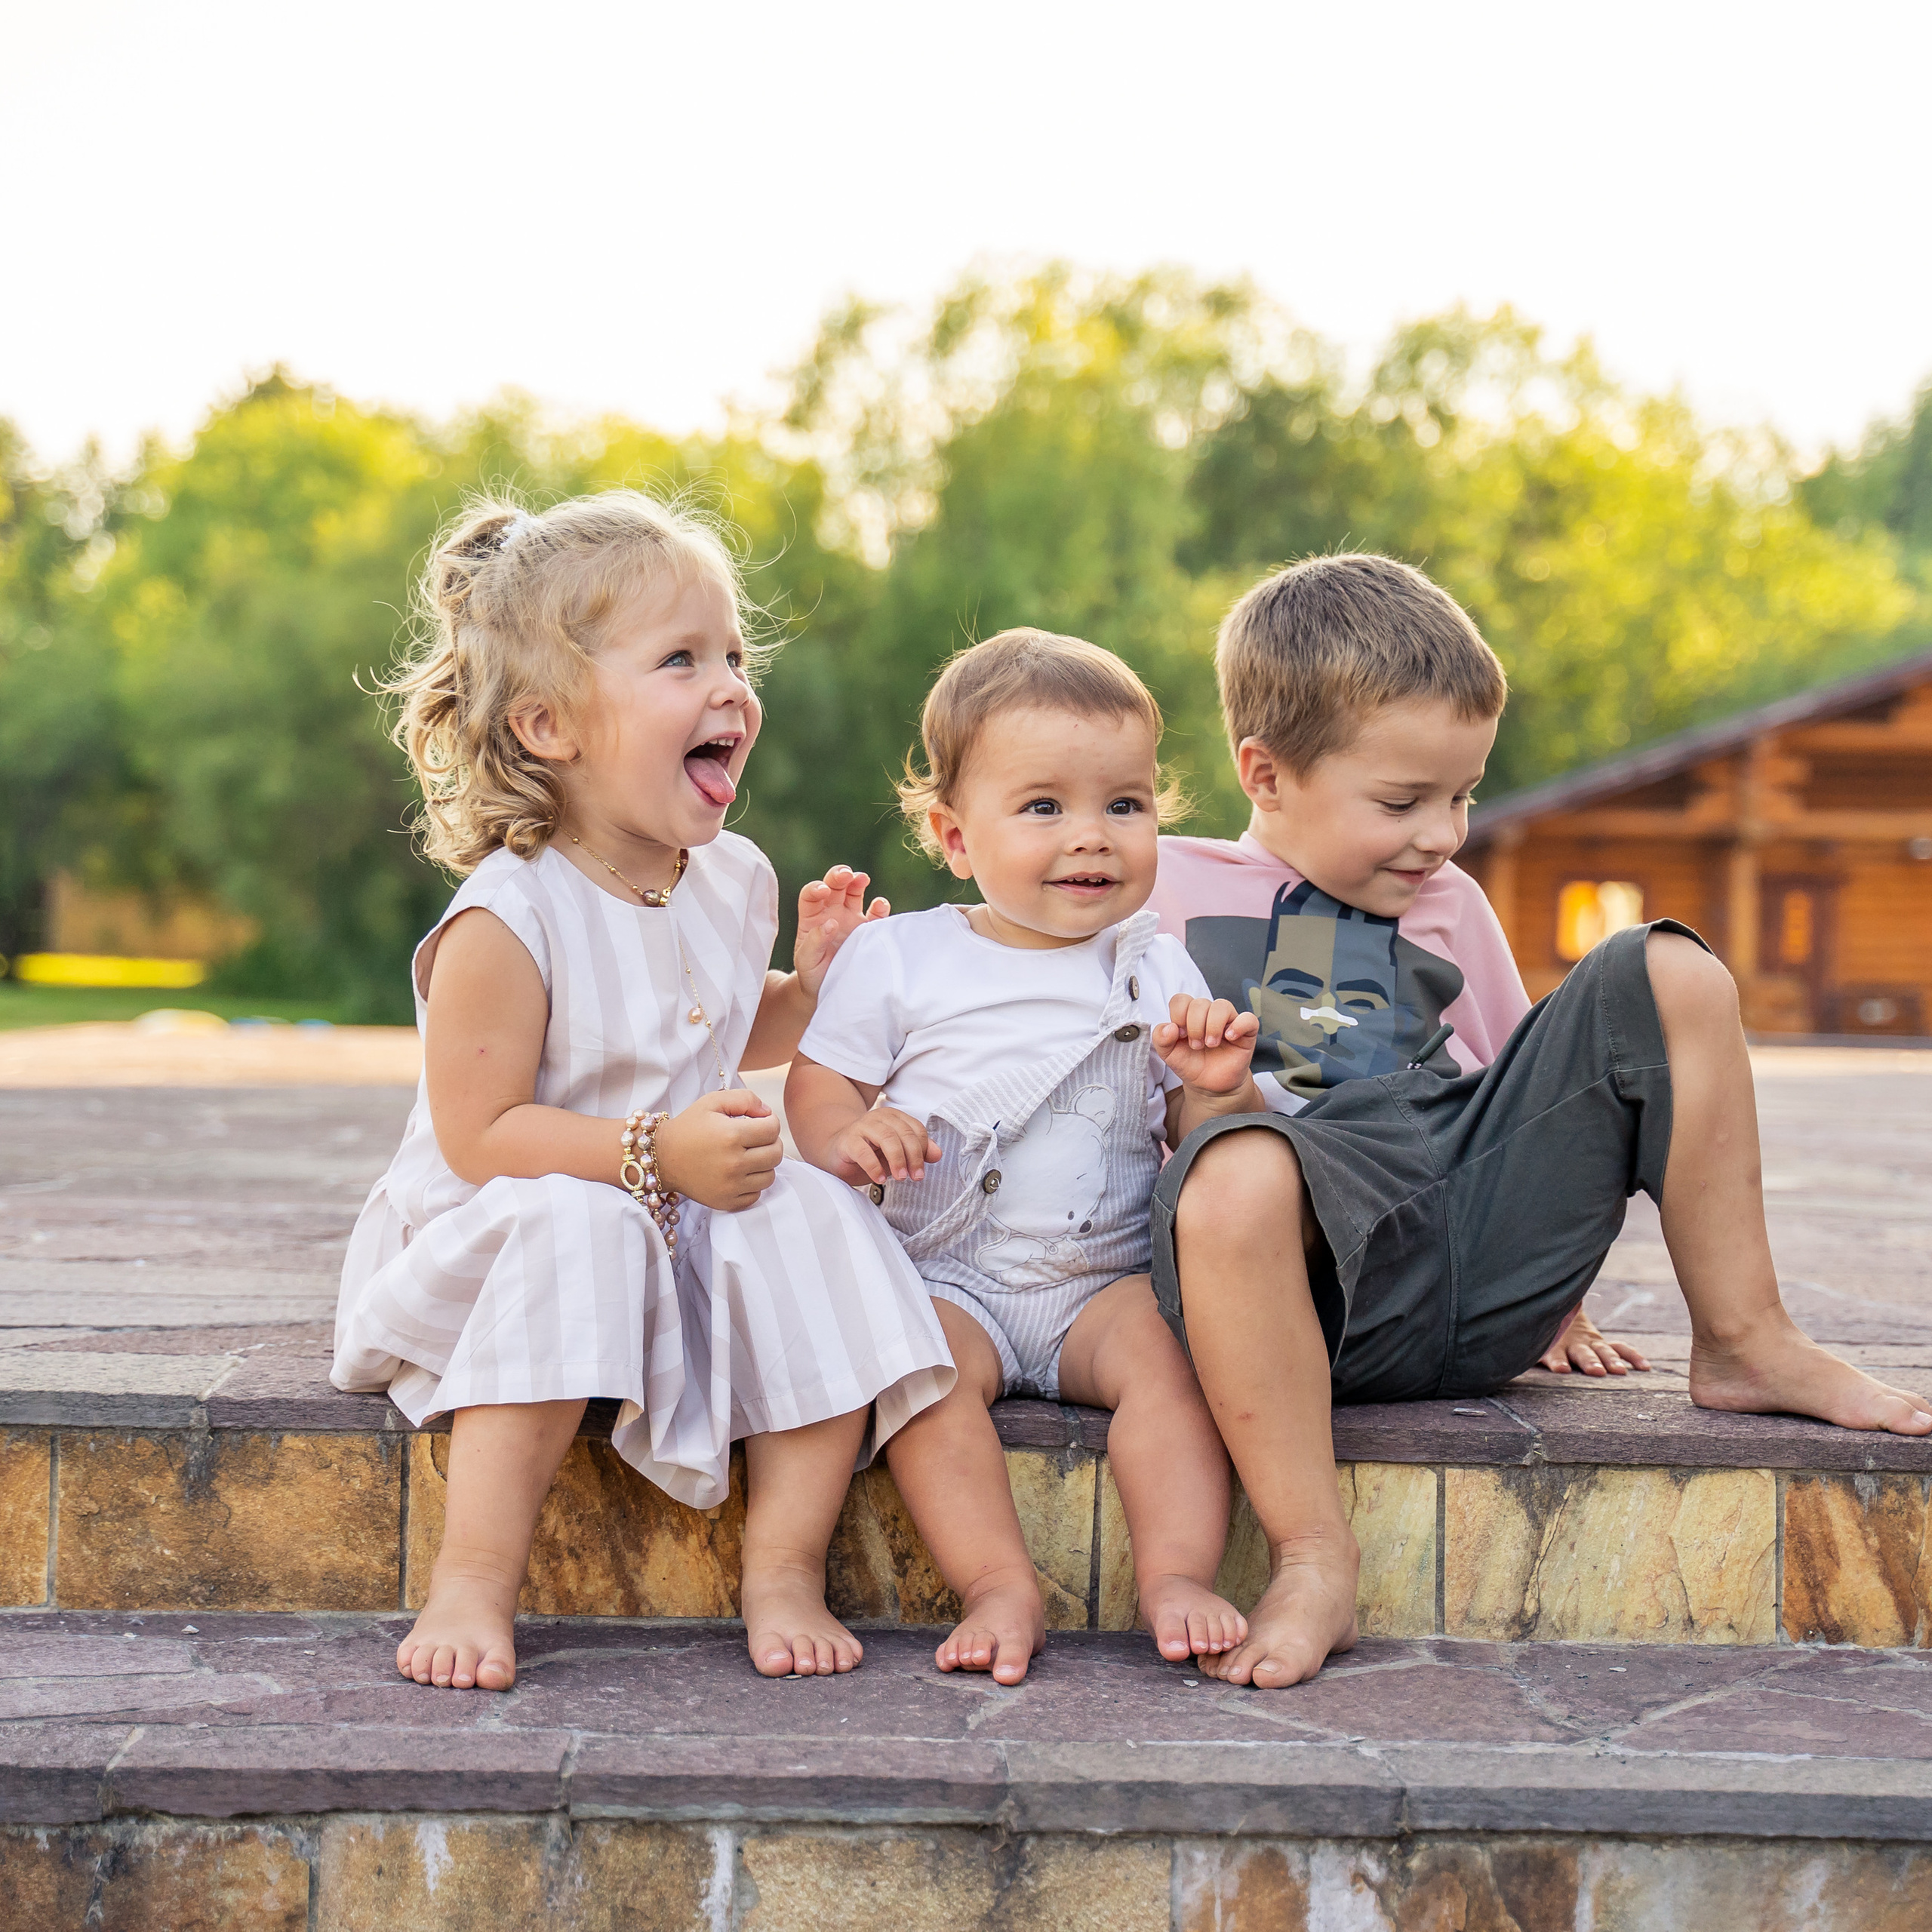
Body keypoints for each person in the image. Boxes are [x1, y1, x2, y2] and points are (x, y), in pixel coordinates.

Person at [1146, 552, 1932, 1690]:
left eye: (1463, 795)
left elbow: (1514, 1093)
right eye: (1402, 802)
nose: (1445, 835)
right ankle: (1314, 1555)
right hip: (1300, 1297)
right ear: (1265, 772)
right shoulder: (1160, 887)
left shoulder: (1450, 904)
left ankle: (1748, 1339)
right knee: (1240, 1165)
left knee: (1669, 969)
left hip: (1465, 1258)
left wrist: (1554, 1292)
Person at [332, 491, 953, 1692]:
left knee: (814, 1203)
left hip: (664, 1205)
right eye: (681, 660)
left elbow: (715, 1018)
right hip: (503, 1227)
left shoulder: (731, 878)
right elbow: (480, 1135)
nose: (728, 685)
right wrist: (651, 1158)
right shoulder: (508, 918)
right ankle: (471, 1581)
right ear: (550, 726)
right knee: (583, 1222)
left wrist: (806, 990)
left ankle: (782, 1565)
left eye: (734, 655)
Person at [786, 630, 1260, 1685]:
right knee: (923, 1384)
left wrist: (1215, 1082)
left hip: (1104, 1281)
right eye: (1044, 806)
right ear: (956, 836)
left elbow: (1201, 1140)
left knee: (1179, 1375)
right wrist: (848, 1136)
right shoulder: (902, 954)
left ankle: (1174, 1576)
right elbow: (819, 1088)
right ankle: (998, 1582)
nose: (1090, 837)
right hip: (949, 1275)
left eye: (1124, 805)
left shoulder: (1155, 962)